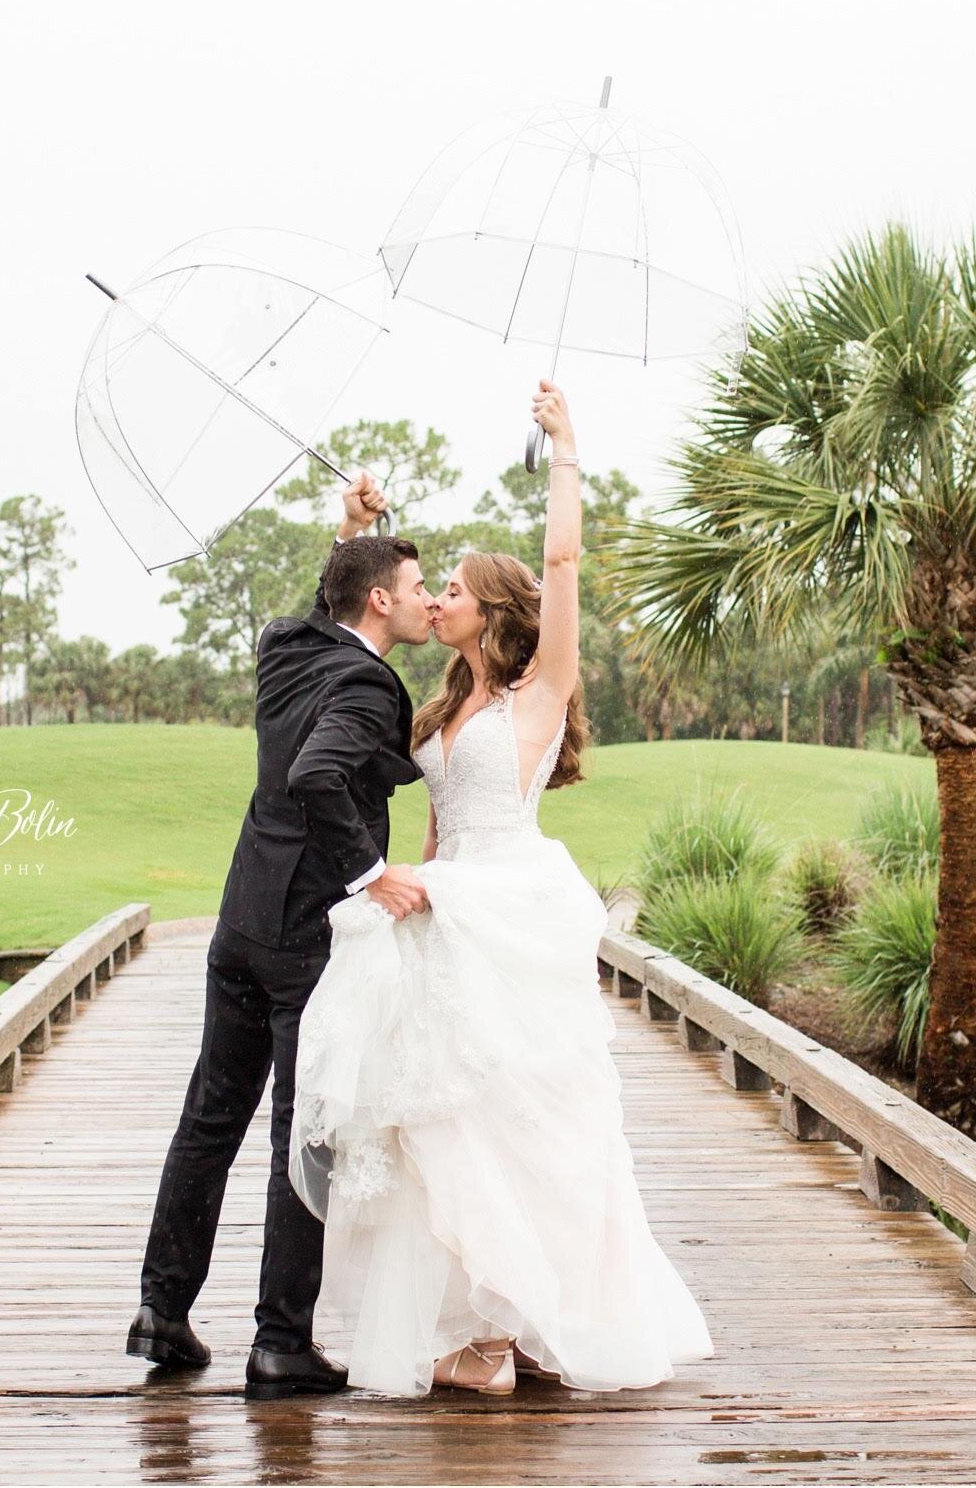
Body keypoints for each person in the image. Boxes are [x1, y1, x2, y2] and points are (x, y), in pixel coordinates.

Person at [288, 380, 715, 1397]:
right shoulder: (438, 702)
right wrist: (352, 533)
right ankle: (479, 1330)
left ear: (495, 611)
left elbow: (563, 562)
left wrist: (566, 448)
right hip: (446, 907)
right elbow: (350, 629)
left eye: (457, 592)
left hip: (510, 907)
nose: (440, 600)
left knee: (524, 1114)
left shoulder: (537, 691)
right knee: (444, 1122)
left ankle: (537, 1316)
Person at [126, 497, 436, 1400]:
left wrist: (349, 533)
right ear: (379, 601)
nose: (424, 599)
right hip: (306, 940)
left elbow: (316, 608)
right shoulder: (370, 685)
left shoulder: (286, 647)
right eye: (414, 586)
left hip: (240, 923)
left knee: (209, 1120)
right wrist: (372, 872)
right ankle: (280, 1343)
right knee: (305, 1133)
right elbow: (317, 775)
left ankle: (160, 1312)